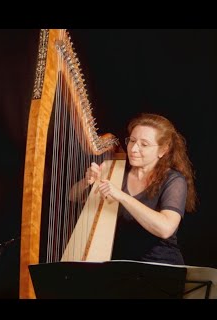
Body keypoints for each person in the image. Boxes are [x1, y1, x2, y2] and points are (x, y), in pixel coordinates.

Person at [73, 113, 197, 265]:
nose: (133, 149)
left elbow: (165, 228)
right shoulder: (117, 171)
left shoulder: (174, 180)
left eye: (144, 144)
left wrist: (122, 196)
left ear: (163, 150)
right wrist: (86, 182)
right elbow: (73, 196)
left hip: (160, 266)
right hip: (120, 264)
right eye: (132, 141)